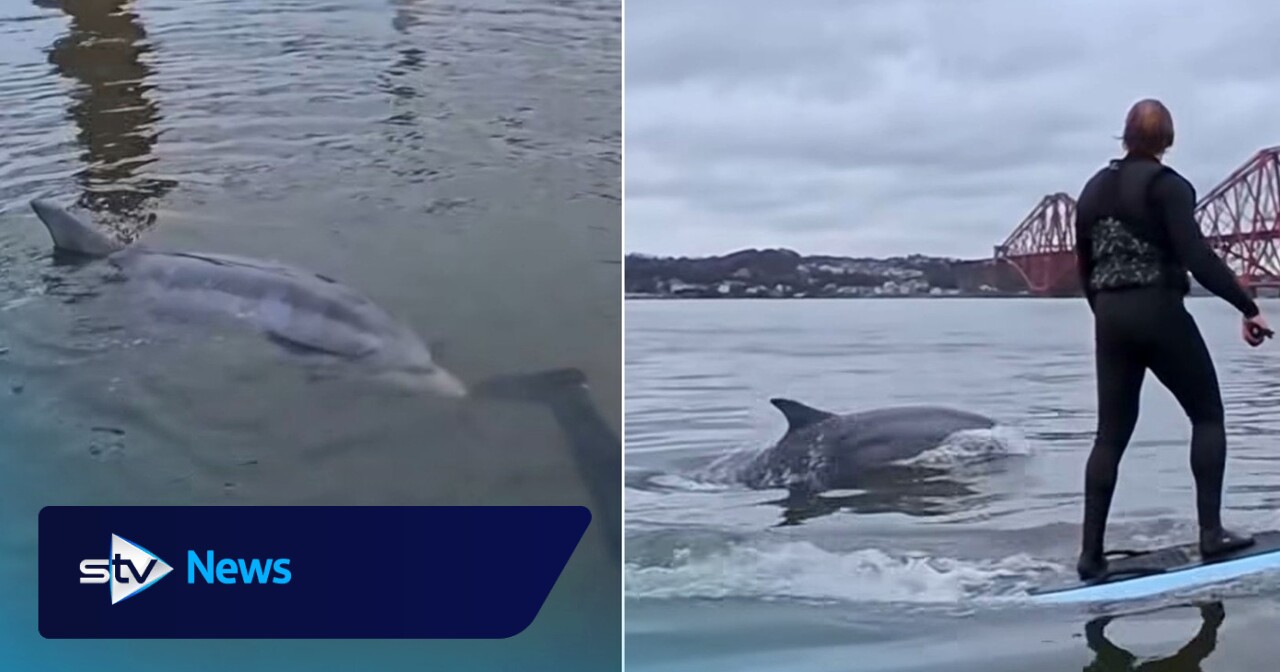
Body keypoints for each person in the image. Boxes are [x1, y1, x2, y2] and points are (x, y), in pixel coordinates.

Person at [1072, 98, 1271, 581]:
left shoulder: (1092, 191)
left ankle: (1090, 557)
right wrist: (1247, 307)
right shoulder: (1169, 187)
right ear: (1168, 141)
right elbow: (1198, 258)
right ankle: (1211, 534)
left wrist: (1107, 314)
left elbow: (1085, 266)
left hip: (1110, 315)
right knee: (1207, 416)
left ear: (1124, 136)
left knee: (1109, 436)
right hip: (1158, 309)